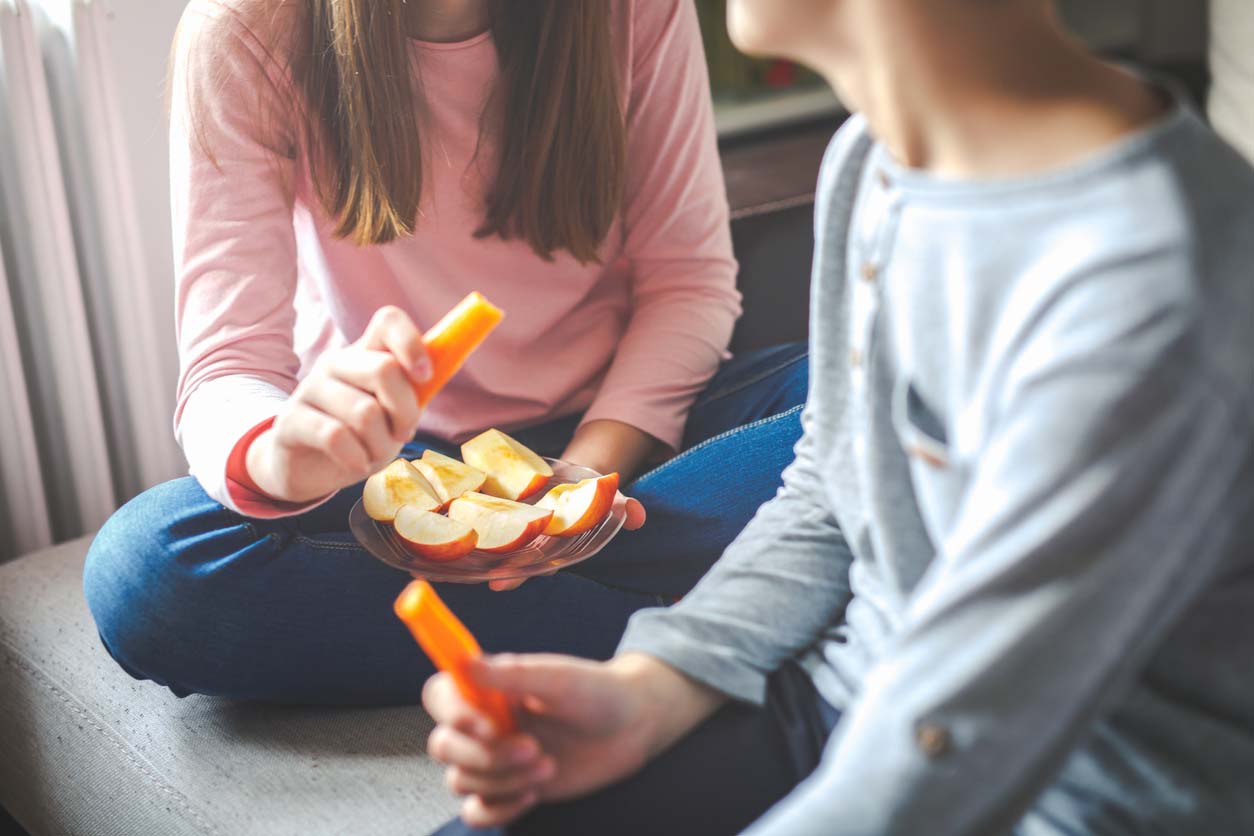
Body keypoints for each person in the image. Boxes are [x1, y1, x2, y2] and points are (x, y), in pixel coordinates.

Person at [422, 0, 1254, 833]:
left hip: (1060, 797)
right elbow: (831, 488)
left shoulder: (1153, 280)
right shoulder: (875, 158)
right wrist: (652, 690)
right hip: (846, 700)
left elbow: (962, 733)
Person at [81, 0, 809, 705]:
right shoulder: (245, 29)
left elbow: (689, 281)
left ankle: (671, 606)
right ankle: (706, 615)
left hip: (618, 438)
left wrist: (577, 491)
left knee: (881, 400)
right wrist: (283, 458)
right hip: (402, 470)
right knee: (146, 570)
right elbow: (227, 367)